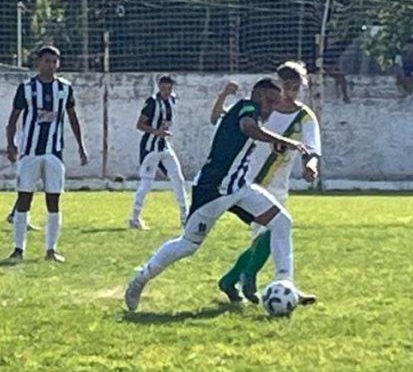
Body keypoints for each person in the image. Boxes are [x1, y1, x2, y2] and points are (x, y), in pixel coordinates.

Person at [124, 78, 311, 313]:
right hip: (213, 191)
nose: (273, 108)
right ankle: (140, 279)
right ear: (258, 95)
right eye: (270, 102)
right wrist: (284, 141)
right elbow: (248, 127)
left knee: (282, 222)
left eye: (276, 103)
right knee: (188, 245)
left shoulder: (249, 111)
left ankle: (285, 283)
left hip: (239, 188)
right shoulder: (247, 107)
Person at [217, 62, 321, 304]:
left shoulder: (305, 116)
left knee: (270, 234)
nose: (290, 93)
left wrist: (311, 165)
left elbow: (312, 148)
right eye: (286, 87)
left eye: (295, 88)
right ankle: (258, 279)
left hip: (279, 185)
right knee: (268, 234)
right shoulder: (263, 109)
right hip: (249, 181)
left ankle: (233, 279)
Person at [5, 46, 89, 262]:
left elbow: (73, 118)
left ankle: (51, 250)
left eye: (54, 62)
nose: (50, 65)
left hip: (54, 154)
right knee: (24, 199)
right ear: (38, 62)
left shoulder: (65, 88)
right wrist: (11, 144)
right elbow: (13, 119)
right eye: (46, 61)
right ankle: (18, 249)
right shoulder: (26, 88)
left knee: (53, 201)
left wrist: (81, 146)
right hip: (30, 153)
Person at [129, 75, 188, 230]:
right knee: (146, 183)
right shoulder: (152, 102)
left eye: (169, 88)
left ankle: (185, 216)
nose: (166, 92)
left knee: (178, 178)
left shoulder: (172, 100)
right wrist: (157, 132)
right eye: (163, 88)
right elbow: (139, 125)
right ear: (159, 87)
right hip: (150, 147)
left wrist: (164, 134)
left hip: (164, 146)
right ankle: (134, 218)